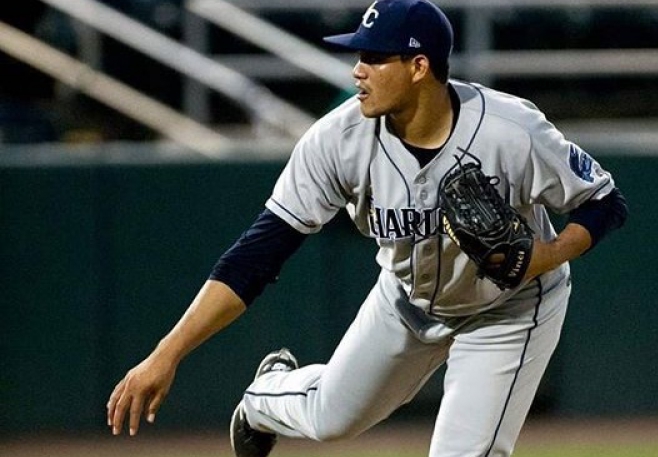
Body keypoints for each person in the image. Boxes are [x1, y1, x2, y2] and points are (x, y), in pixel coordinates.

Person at [106, 1, 628, 456]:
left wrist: (547, 255)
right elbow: (257, 256)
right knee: (332, 418)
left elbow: (604, 202)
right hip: (406, 297)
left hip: (510, 309)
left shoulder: (511, 130)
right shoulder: (337, 140)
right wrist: (166, 354)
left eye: (375, 57)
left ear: (419, 66)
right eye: (359, 55)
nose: (358, 70)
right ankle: (264, 398)